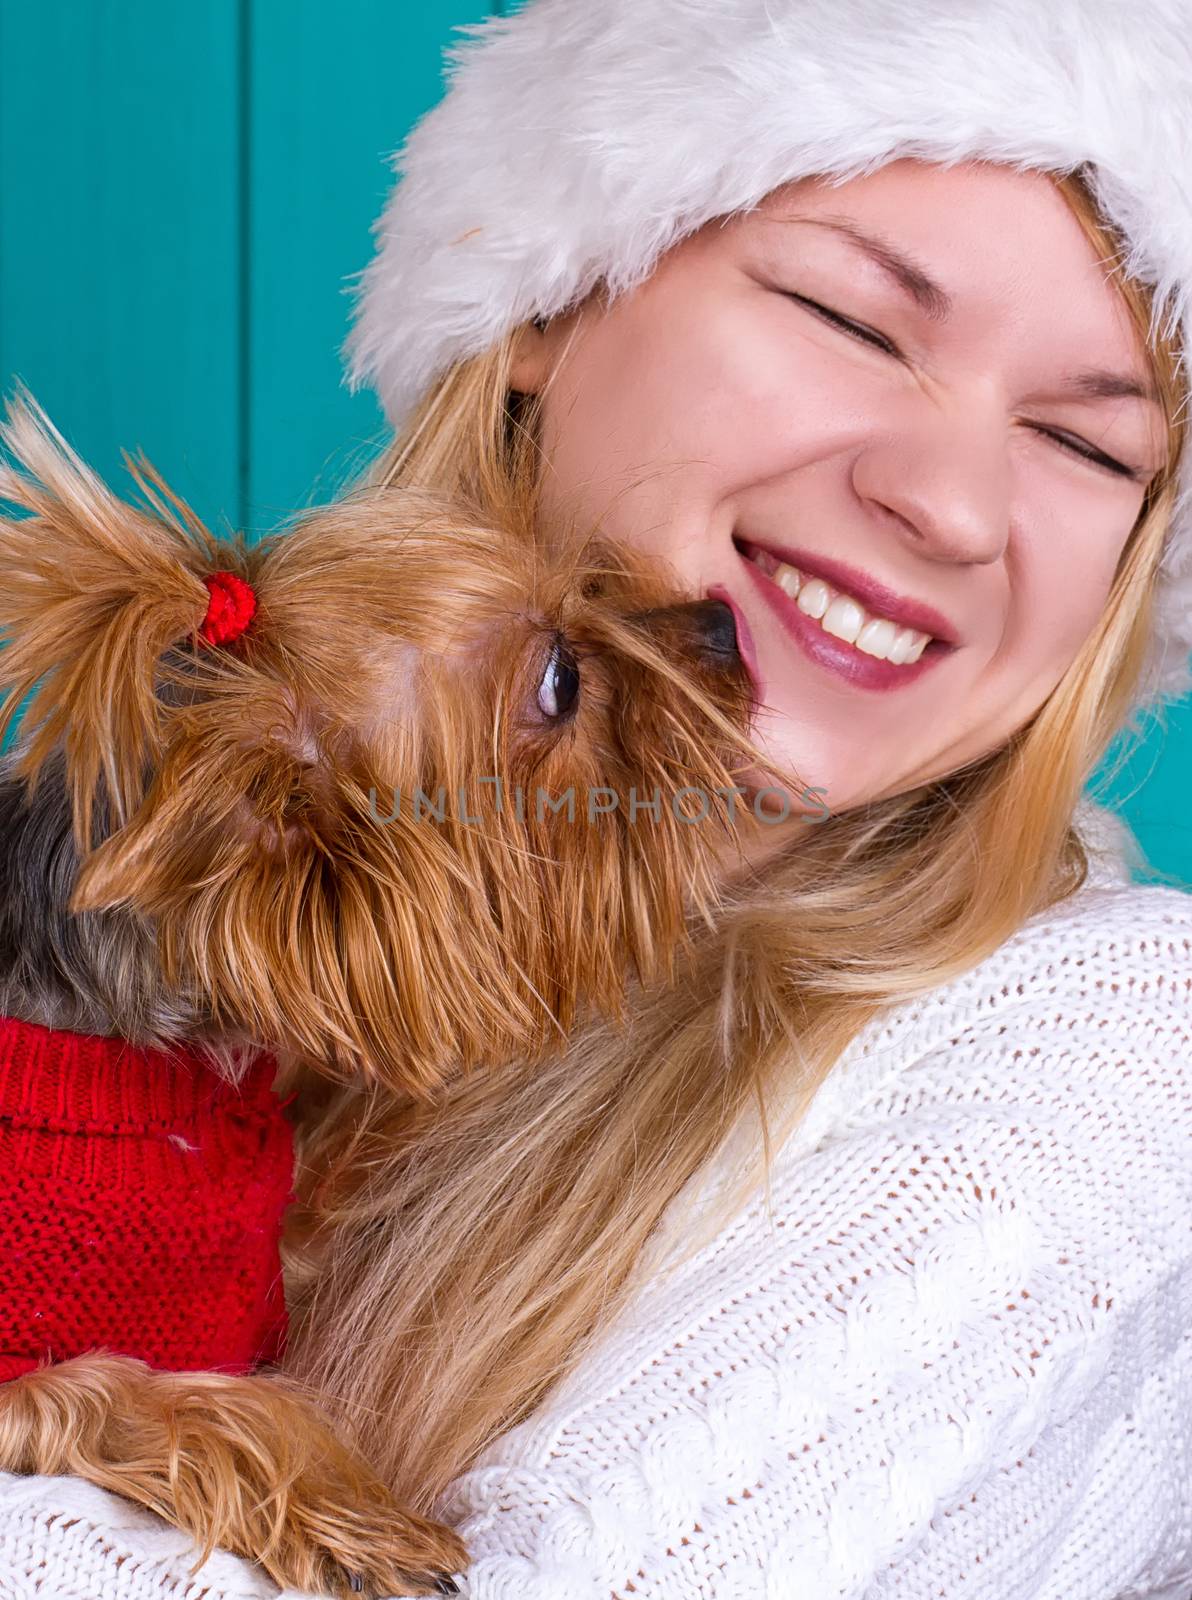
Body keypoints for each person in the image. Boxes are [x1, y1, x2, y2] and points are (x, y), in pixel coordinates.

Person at [3, 1, 1191, 1596]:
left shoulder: (1101, 1066)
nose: (953, 501)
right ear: (552, 294)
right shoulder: (242, 1007)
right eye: (856, 320)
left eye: (1078, 440)